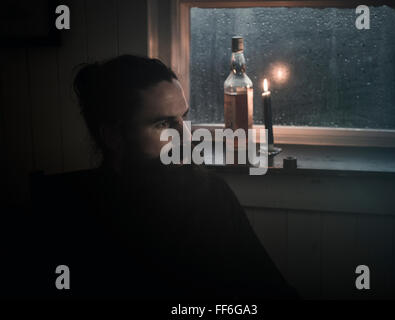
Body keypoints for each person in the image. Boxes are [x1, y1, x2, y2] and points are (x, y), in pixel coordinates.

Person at [28, 55, 298, 299]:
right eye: (163, 124)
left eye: (183, 119)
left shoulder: (209, 194)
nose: (186, 138)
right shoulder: (68, 210)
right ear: (113, 136)